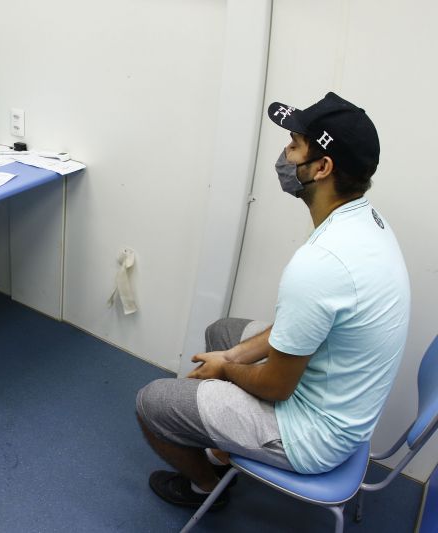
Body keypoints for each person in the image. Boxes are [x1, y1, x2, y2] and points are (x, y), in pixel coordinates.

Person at [135, 92, 410, 509]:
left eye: (294, 144)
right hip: (344, 402)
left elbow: (278, 387)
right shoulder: (365, 222)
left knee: (152, 403)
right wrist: (230, 356)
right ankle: (226, 446)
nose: (284, 153)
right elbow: (300, 326)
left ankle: (204, 488)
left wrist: (225, 369)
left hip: (313, 436)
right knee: (222, 332)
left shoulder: (322, 264)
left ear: (322, 167)